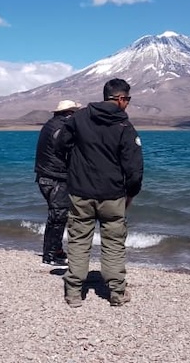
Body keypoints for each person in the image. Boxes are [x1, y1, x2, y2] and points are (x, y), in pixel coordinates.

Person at [56, 78, 143, 307]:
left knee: (78, 240)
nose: (128, 104)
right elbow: (134, 167)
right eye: (128, 100)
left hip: (80, 192)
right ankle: (116, 292)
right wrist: (131, 193)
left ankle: (74, 293)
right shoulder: (124, 126)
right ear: (121, 99)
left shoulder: (80, 118)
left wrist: (73, 164)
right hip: (113, 194)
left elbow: (60, 144)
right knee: (113, 242)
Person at [34, 99, 82, 267]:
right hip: (56, 177)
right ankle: (51, 255)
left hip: (44, 176)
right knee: (58, 216)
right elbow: (67, 147)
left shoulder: (49, 125)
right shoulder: (62, 128)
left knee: (55, 216)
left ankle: (55, 251)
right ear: (69, 113)